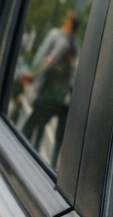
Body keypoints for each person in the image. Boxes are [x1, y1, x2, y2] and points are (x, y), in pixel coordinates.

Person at [20, 11, 78, 152]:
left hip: (47, 94)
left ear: (69, 24)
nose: (65, 24)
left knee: (31, 124)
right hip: (56, 97)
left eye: (67, 21)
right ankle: (31, 152)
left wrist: (33, 75)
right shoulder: (73, 47)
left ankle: (21, 147)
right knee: (40, 126)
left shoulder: (63, 42)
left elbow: (50, 61)